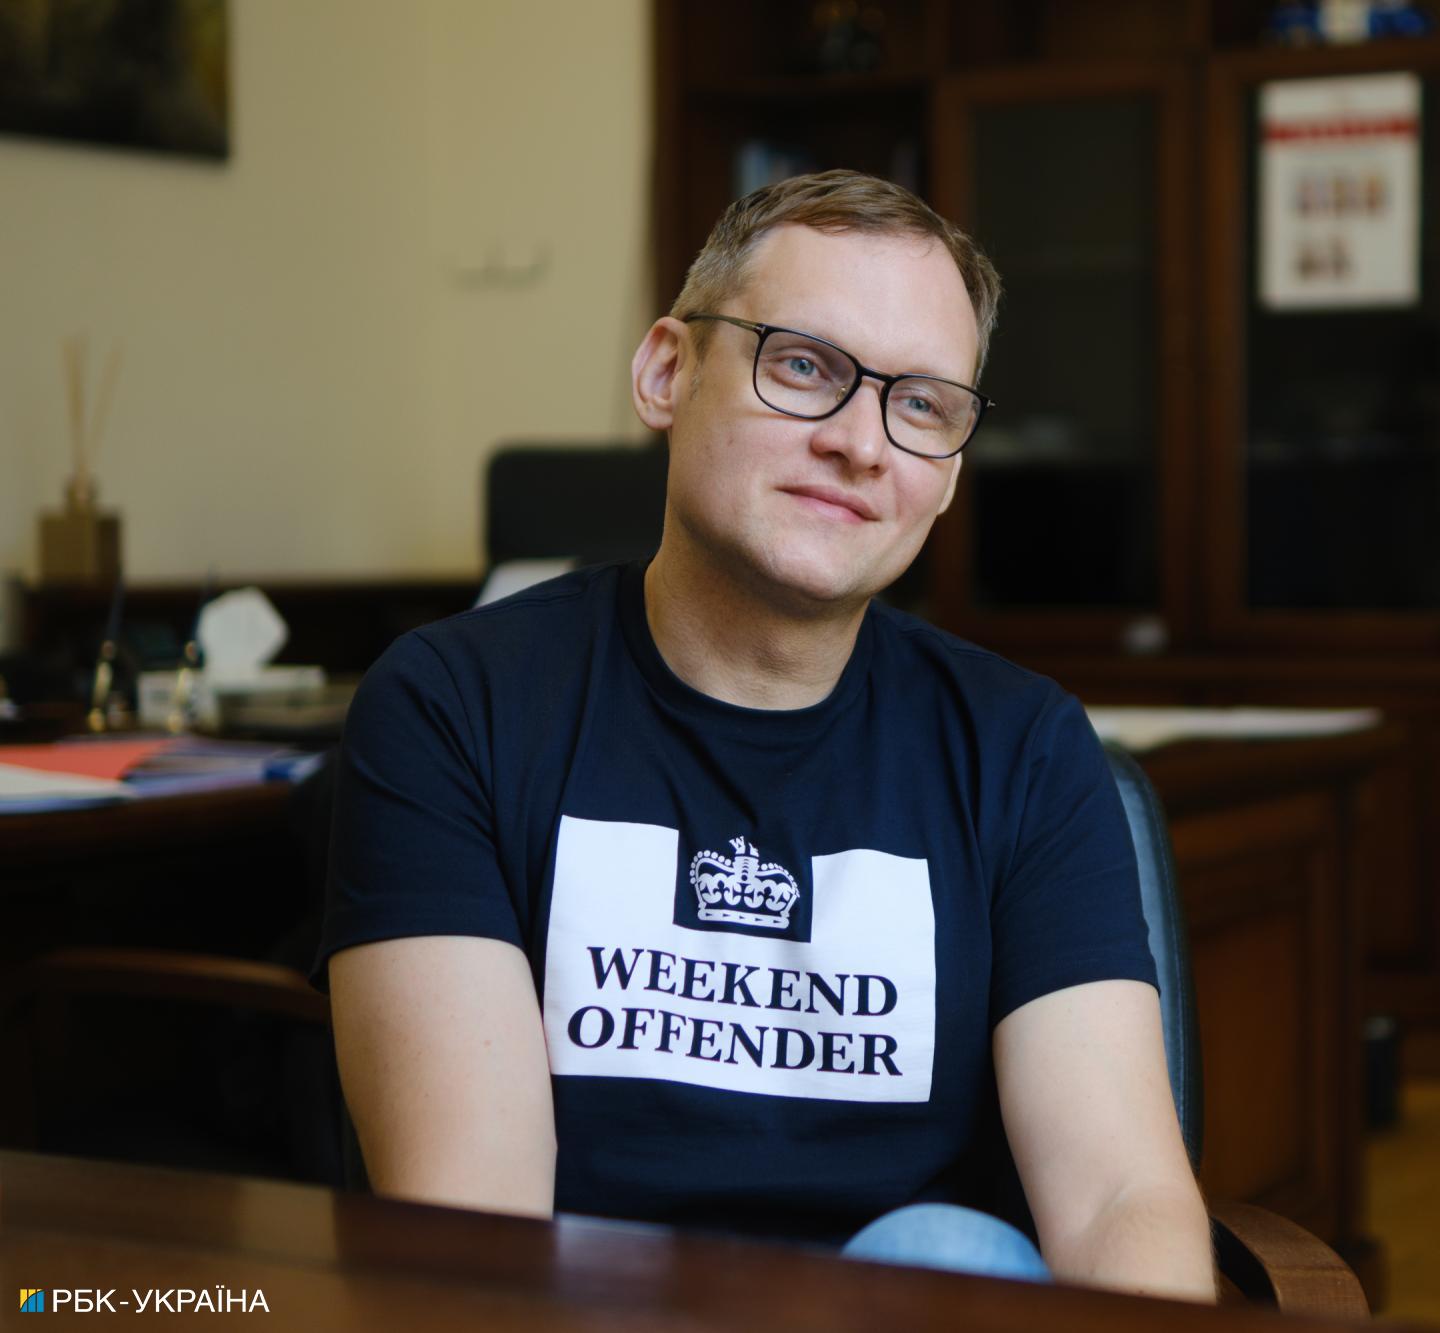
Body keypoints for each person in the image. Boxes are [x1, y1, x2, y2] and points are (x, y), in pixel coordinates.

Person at [314, 169, 1214, 1302]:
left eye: (922, 405)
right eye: (804, 366)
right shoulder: (453, 705)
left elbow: (1118, 1198)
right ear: (665, 372)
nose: (861, 444)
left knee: (949, 1251)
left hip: (903, 1309)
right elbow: (475, 1225)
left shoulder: (1023, 748)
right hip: (585, 1312)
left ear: (947, 477)